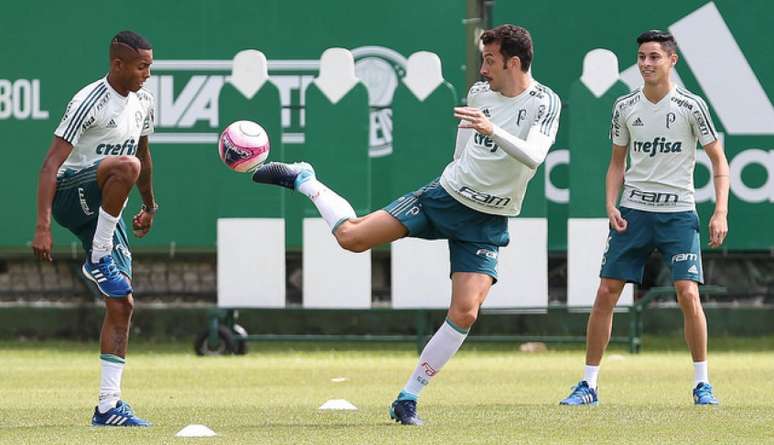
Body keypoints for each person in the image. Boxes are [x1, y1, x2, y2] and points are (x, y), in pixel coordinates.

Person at [252, 24, 560, 425]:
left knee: (465, 312)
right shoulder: (481, 93)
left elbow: (534, 156)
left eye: (489, 60)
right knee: (352, 237)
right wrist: (462, 164)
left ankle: (407, 397)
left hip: (486, 220)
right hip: (445, 196)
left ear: (513, 62)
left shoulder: (543, 102)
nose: (483, 70)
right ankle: (304, 179)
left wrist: (492, 130)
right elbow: (462, 149)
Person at [559, 30, 729, 406]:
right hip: (634, 213)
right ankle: (588, 385)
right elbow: (617, 163)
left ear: (672, 60)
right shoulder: (625, 106)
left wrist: (720, 211)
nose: (647, 64)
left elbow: (719, 160)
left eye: (655, 57)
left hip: (679, 213)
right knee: (606, 293)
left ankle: (703, 383)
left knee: (688, 294)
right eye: (641, 57)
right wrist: (610, 204)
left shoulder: (691, 105)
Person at [32, 30, 158, 426]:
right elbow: (51, 163)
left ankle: (108, 406)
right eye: (141, 67)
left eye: (150, 66)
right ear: (117, 65)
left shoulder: (144, 103)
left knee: (122, 303)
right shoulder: (89, 101)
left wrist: (150, 206)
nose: (147, 74)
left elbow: (144, 153)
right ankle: (99, 256)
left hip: (108, 208)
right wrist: (43, 226)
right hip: (73, 193)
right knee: (126, 166)